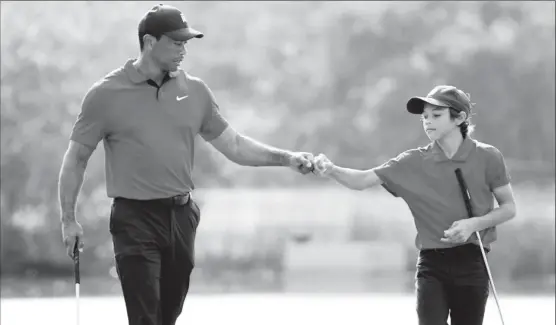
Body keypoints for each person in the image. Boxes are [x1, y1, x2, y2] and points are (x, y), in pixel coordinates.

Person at [58, 4, 314, 325]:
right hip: (134, 219)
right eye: (177, 42)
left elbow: (234, 146)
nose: (184, 50)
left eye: (186, 43)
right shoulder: (106, 94)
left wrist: (287, 159)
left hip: (181, 217)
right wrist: (68, 219)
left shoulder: (195, 91)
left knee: (168, 316)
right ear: (150, 42)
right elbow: (76, 158)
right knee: (145, 317)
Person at [311, 85, 517, 325]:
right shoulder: (412, 162)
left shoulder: (488, 157)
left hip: (473, 261)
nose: (428, 122)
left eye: (436, 115)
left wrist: (474, 224)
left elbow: (509, 207)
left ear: (459, 118)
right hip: (432, 264)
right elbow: (362, 180)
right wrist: (331, 169)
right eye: (425, 117)